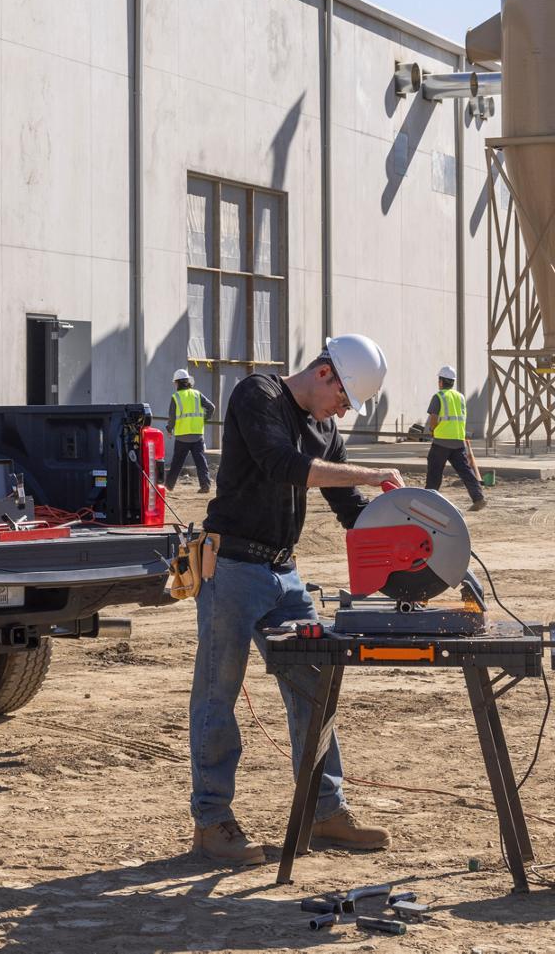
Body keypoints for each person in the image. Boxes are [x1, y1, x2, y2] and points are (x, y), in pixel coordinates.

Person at [190, 334, 405, 864]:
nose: (342, 412)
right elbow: (282, 464)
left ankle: (325, 811)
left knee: (314, 688)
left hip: (284, 574)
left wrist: (408, 544)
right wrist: (374, 472)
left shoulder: (326, 430)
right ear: (326, 373)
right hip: (232, 567)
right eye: (343, 399)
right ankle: (212, 822)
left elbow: (350, 508)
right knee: (218, 695)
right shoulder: (256, 395)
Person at [425, 365, 486, 512]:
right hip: (458, 441)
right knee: (465, 471)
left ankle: (427, 501)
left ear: (441, 381)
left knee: (434, 471)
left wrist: (432, 430)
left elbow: (433, 418)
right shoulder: (460, 397)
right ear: (452, 381)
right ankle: (478, 498)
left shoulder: (439, 397)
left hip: (441, 441)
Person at [165, 369, 216, 494]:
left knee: (177, 462)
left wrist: (169, 429)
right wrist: (204, 418)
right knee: (200, 461)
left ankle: (169, 486)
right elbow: (211, 407)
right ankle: (205, 486)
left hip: (182, 436)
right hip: (197, 435)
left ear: (177, 383)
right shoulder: (197, 394)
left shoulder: (176, 397)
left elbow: (172, 417)